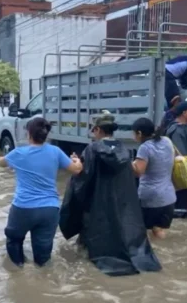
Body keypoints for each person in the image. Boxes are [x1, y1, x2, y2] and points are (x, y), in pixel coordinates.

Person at [60, 115, 161, 276]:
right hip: (119, 203)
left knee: (88, 240)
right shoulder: (123, 149)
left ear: (98, 129)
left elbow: (83, 179)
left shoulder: (92, 149)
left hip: (97, 205)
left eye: (93, 129)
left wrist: (76, 163)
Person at [0, 117, 83, 267]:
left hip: (22, 208)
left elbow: (1, 163)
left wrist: (8, 158)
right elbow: (76, 170)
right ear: (46, 135)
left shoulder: (18, 153)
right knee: (43, 255)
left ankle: (18, 272)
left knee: (14, 240)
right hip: (49, 209)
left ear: (29, 134)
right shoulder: (55, 152)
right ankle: (43, 280)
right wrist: (77, 160)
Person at [131, 117, 176, 239]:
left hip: (151, 199)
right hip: (169, 197)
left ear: (139, 133)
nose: (133, 137)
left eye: (134, 134)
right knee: (158, 230)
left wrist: (126, 161)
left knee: (142, 233)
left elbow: (138, 172)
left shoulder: (145, 148)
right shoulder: (167, 141)